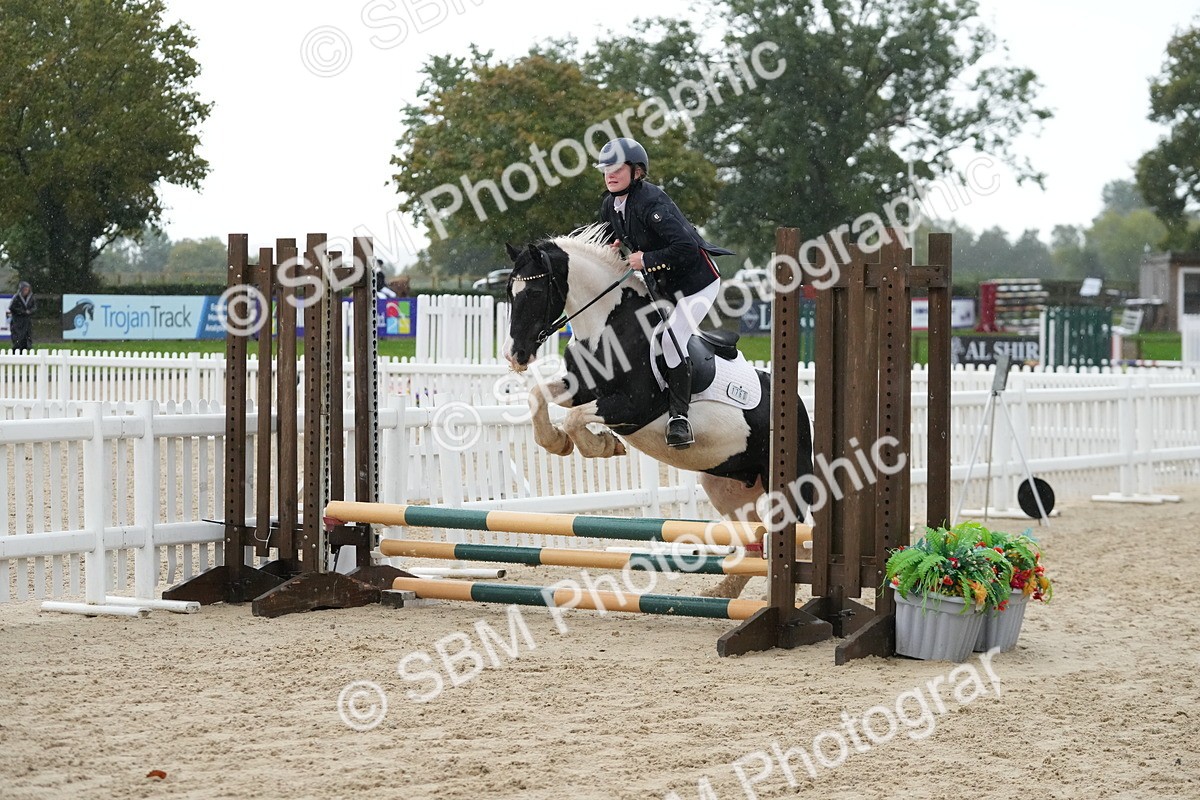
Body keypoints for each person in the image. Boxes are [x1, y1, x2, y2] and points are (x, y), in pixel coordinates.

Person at [596, 137, 733, 449]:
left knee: (671, 340)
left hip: (696, 283)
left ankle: (679, 419)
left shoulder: (653, 203)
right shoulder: (611, 204)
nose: (610, 174)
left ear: (638, 172)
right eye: (606, 169)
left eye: (617, 168)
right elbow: (609, 235)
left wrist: (647, 259)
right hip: (663, 284)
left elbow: (686, 247)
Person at [7, 281, 36, 352]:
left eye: (27, 289)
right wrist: (22, 312)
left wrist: (30, 311)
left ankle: (25, 349)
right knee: (17, 337)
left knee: (26, 336)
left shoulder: (31, 297)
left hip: (26, 321)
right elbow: (11, 307)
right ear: (21, 289)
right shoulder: (16, 297)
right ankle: (16, 350)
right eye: (25, 289)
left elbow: (34, 307)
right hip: (17, 321)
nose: (26, 291)